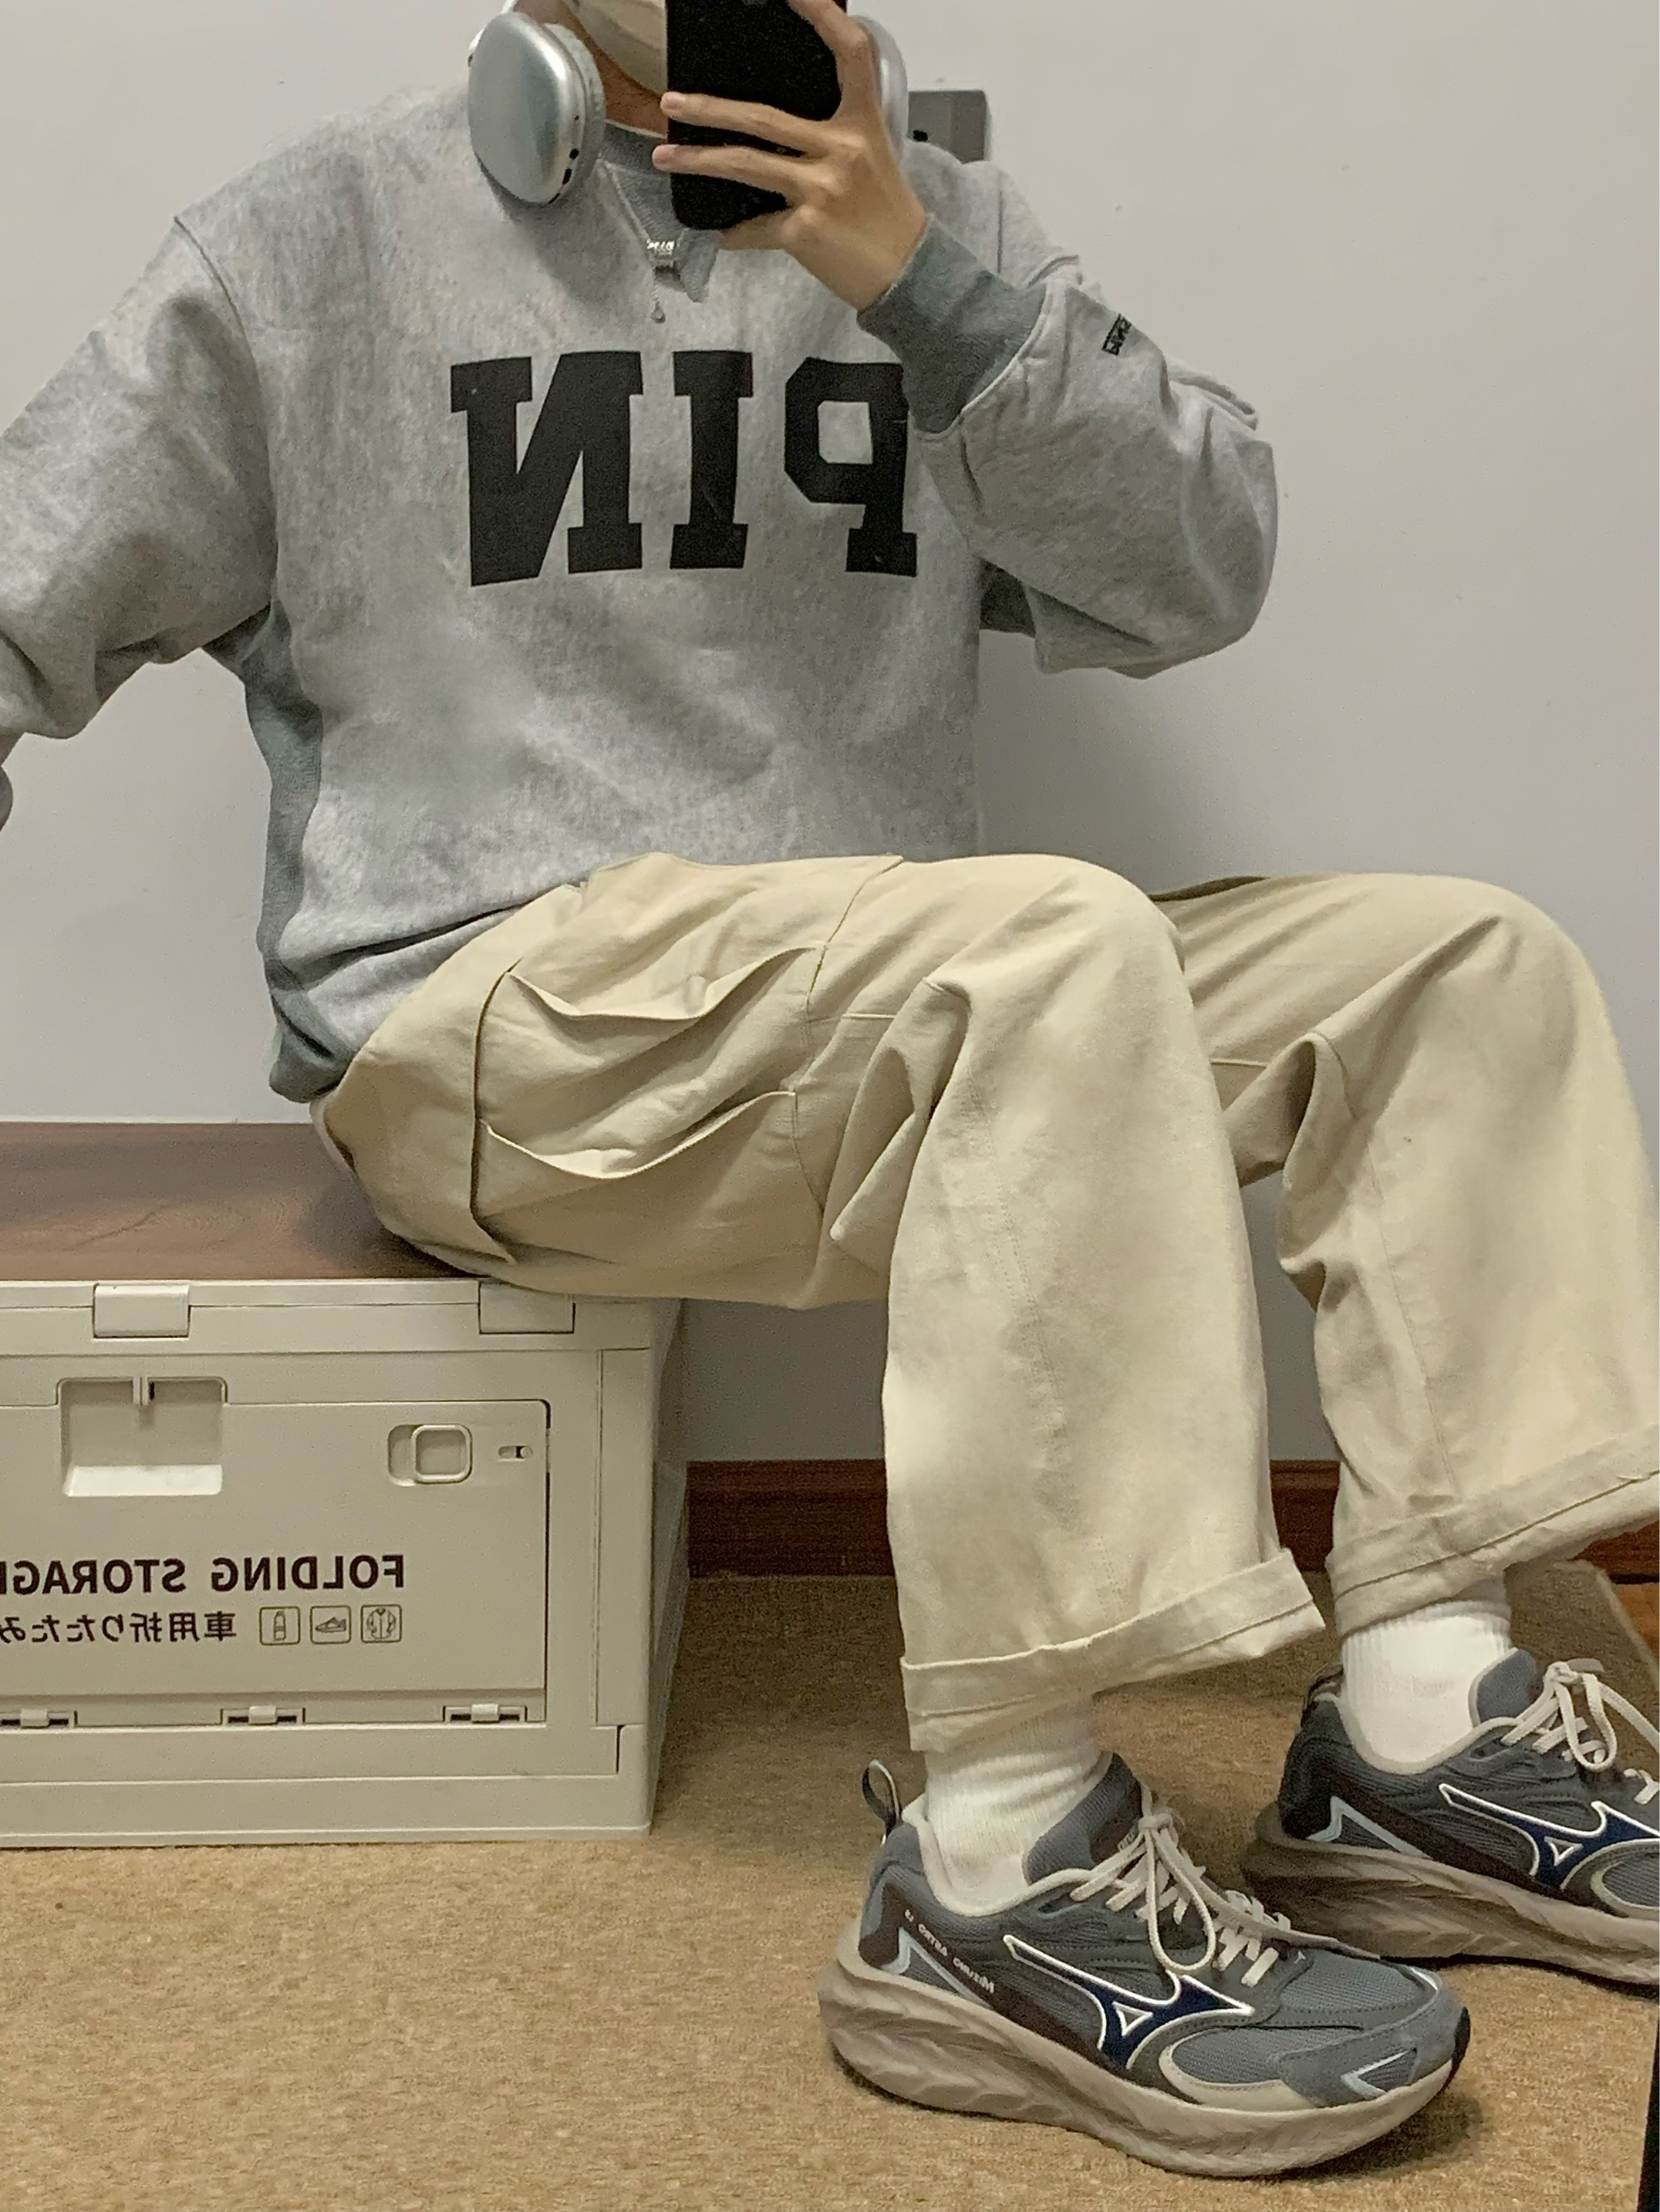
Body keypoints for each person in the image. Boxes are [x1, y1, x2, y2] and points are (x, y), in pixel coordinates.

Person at [1, 0, 1654, 2177]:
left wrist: (924, 285)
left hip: (884, 1009)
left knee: (1454, 963)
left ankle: (1430, 1724)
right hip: (489, 1023)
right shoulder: (315, 242)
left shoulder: (929, 219)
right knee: (1042, 943)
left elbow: (1202, 568)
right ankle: (1002, 1861)